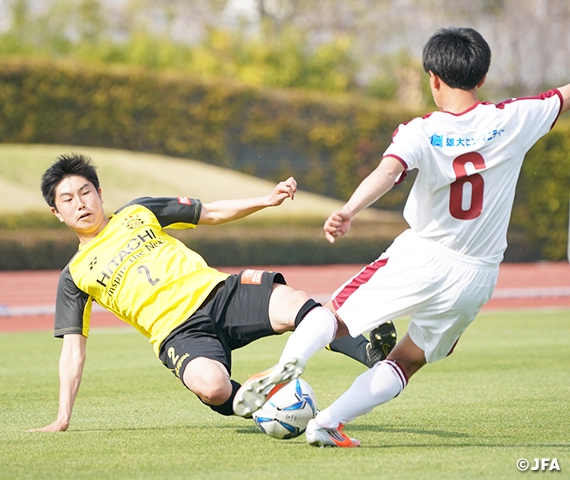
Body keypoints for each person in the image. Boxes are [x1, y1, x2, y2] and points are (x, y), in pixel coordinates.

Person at [233, 27, 570, 447]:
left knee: (334, 315)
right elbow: (564, 94)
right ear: (482, 78)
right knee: (406, 361)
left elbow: (389, 171)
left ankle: (289, 365)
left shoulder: (421, 130)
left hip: (422, 256)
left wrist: (349, 210)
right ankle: (328, 423)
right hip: (477, 276)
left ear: (432, 78)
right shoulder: (517, 117)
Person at [29, 153, 394, 432]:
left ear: (99, 194)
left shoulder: (139, 211)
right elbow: (73, 350)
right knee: (212, 387)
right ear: (56, 212)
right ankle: (269, 411)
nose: (80, 203)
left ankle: (372, 354)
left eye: (85, 192)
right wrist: (63, 416)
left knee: (297, 304)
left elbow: (211, 211)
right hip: (179, 334)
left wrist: (266, 200)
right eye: (67, 200)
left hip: (220, 294)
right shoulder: (74, 276)